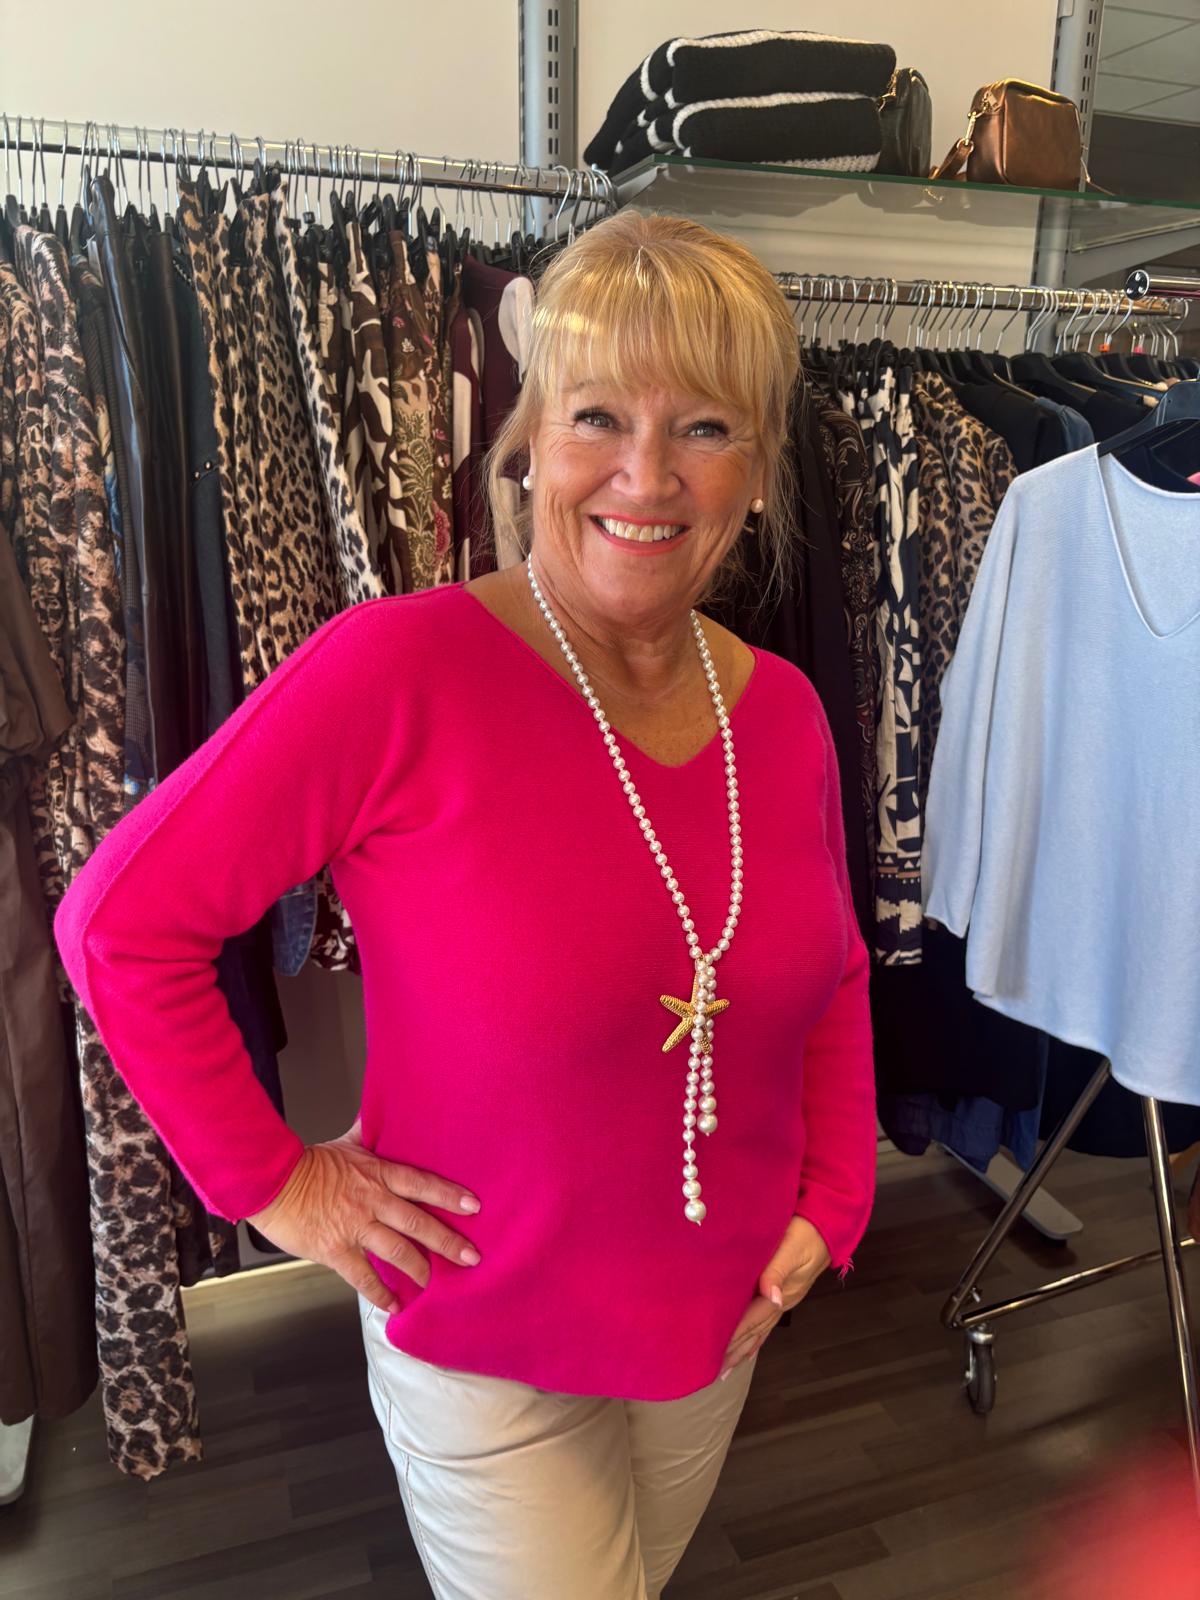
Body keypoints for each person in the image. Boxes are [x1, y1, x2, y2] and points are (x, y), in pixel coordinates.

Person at [53, 211, 876, 1599]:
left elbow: (830, 974)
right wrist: (277, 1183)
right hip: (488, 1346)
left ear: (758, 467)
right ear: (530, 439)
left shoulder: (783, 711)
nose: (646, 475)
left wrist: (838, 1197)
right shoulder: (399, 671)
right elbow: (118, 924)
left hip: (723, 1320)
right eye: (599, 416)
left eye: (704, 428)